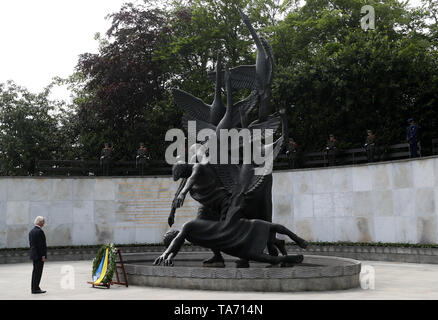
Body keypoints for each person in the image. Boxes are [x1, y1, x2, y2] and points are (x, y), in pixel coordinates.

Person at [29, 216, 47, 294]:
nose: (44, 223)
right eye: (43, 221)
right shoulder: (40, 231)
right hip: (39, 255)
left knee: (35, 272)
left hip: (34, 254)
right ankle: (36, 289)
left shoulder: (31, 231)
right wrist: (43, 255)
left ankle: (34, 288)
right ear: (40, 222)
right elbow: (41, 245)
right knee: (38, 272)